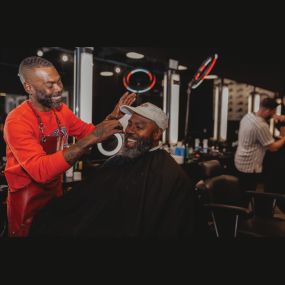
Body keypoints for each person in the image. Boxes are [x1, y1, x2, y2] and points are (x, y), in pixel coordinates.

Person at [29, 102, 208, 238]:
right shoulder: (120, 161)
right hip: (98, 223)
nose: (130, 130)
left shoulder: (168, 175)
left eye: (139, 127)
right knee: (47, 217)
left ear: (156, 134)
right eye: (129, 124)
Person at [3, 56, 136, 237]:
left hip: (54, 194)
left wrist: (114, 116)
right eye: (50, 85)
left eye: (59, 82)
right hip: (26, 203)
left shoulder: (61, 111)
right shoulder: (17, 121)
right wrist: (91, 138)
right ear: (29, 88)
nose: (58, 89)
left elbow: (88, 133)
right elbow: (40, 171)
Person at [234, 97, 285, 203]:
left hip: (240, 161)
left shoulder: (248, 116)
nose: (273, 114)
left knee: (241, 193)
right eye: (273, 112)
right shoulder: (261, 126)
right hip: (250, 167)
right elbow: (273, 147)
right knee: (246, 196)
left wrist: (277, 117)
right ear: (267, 110)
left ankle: (240, 215)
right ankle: (242, 217)